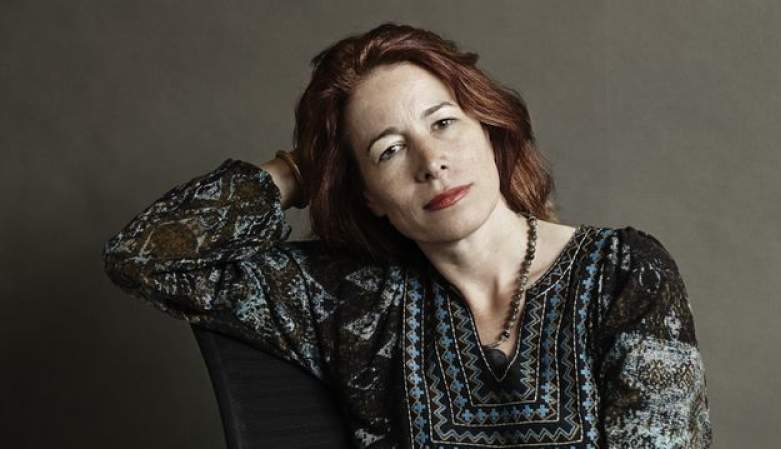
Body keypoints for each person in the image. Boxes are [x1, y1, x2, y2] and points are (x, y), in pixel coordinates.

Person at [102, 22, 712, 449]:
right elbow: (145, 259)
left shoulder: (624, 272)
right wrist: (301, 170)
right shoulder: (354, 301)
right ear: (368, 194)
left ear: (488, 128)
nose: (431, 162)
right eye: (389, 150)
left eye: (443, 123)